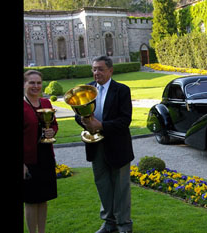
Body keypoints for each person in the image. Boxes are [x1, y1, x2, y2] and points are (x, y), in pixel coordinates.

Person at [75, 55, 134, 233]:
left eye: (100, 69)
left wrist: (101, 125)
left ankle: (124, 225)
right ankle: (109, 223)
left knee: (121, 188)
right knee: (103, 186)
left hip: (118, 146)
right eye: (94, 69)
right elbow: (78, 115)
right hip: (95, 145)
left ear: (110, 70)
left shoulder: (122, 90)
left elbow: (125, 120)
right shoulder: (87, 89)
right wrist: (84, 122)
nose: (96, 72)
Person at [24, 70, 58, 233]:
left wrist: (52, 131)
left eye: (38, 83)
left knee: (44, 199)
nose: (36, 86)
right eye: (31, 82)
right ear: (24, 84)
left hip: (46, 156)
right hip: (28, 160)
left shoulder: (46, 103)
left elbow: (54, 124)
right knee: (31, 200)